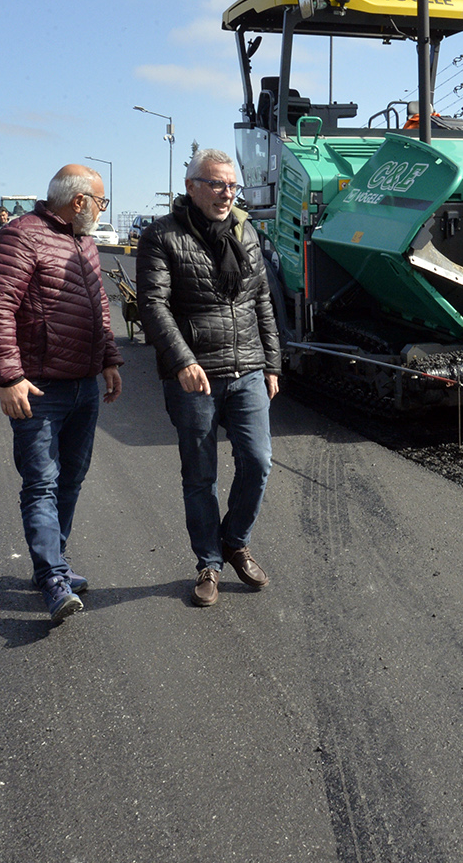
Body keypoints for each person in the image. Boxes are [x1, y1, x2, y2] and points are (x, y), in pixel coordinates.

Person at [0, 165, 123, 622]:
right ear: (79, 201)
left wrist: (109, 359)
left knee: (71, 479)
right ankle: (52, 578)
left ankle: (54, 563)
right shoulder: (20, 237)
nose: (103, 211)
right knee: (41, 482)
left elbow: (98, 303)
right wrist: (7, 378)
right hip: (38, 387)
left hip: (83, 384)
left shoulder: (82, 241)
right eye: (101, 202)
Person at [137, 148, 281, 608]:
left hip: (249, 369)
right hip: (194, 375)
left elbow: (261, 299)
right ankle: (209, 563)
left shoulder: (245, 230)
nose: (227, 193)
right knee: (200, 476)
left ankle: (234, 541)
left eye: (232, 185)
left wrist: (273, 363)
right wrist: (182, 361)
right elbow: (153, 305)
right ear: (192, 186)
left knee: (257, 462)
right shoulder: (161, 235)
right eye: (217, 184)